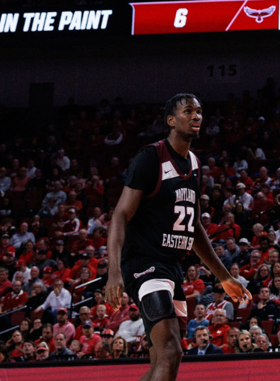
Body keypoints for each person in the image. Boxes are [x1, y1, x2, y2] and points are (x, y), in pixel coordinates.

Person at [104, 94, 252, 381]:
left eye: (199, 111)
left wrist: (223, 276)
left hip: (172, 268)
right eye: (188, 111)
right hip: (145, 264)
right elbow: (120, 215)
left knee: (167, 358)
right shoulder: (151, 158)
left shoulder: (195, 164)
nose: (196, 116)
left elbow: (194, 227)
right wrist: (113, 271)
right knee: (169, 351)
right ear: (171, 121)